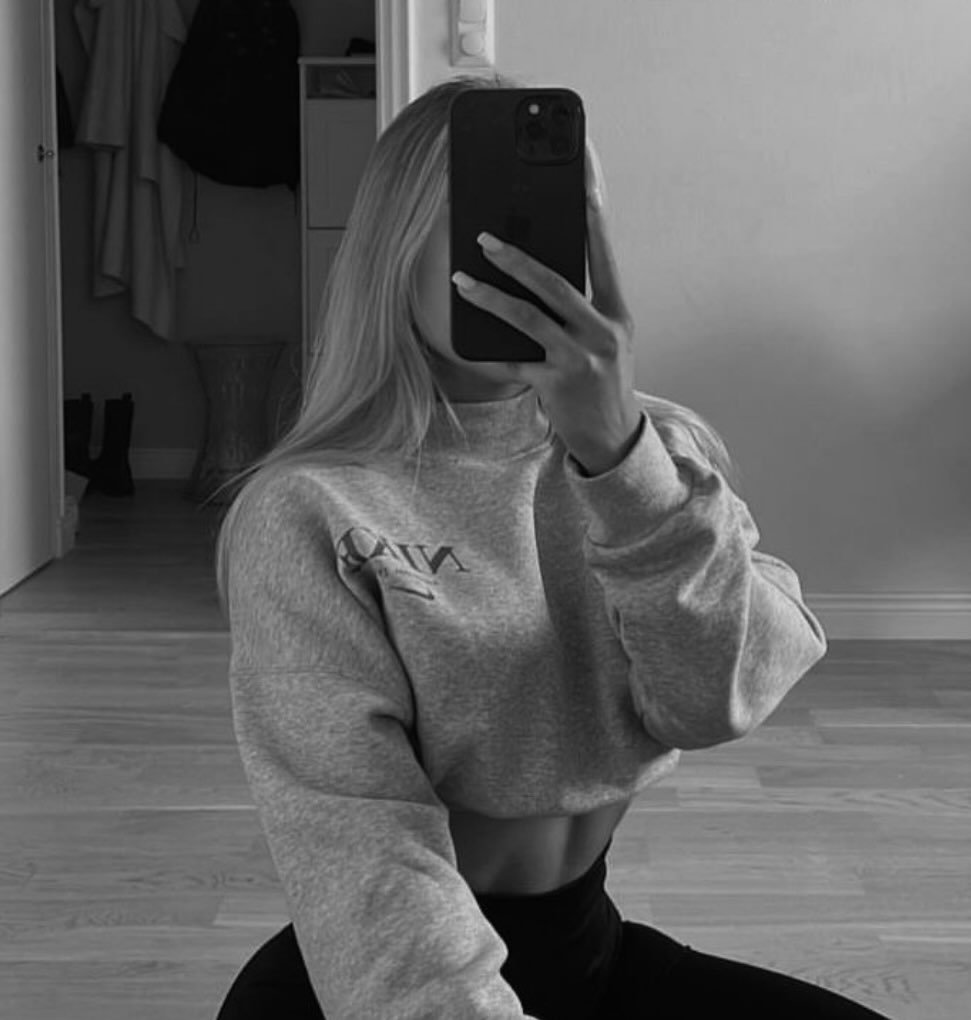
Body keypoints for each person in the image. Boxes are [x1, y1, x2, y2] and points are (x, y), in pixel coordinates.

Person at [211, 73, 892, 1020]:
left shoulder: (657, 454)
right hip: (392, 977)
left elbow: (712, 700)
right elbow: (359, 840)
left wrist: (619, 458)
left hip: (592, 957)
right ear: (397, 250)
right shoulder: (308, 510)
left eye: (554, 230)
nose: (525, 266)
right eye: (489, 231)